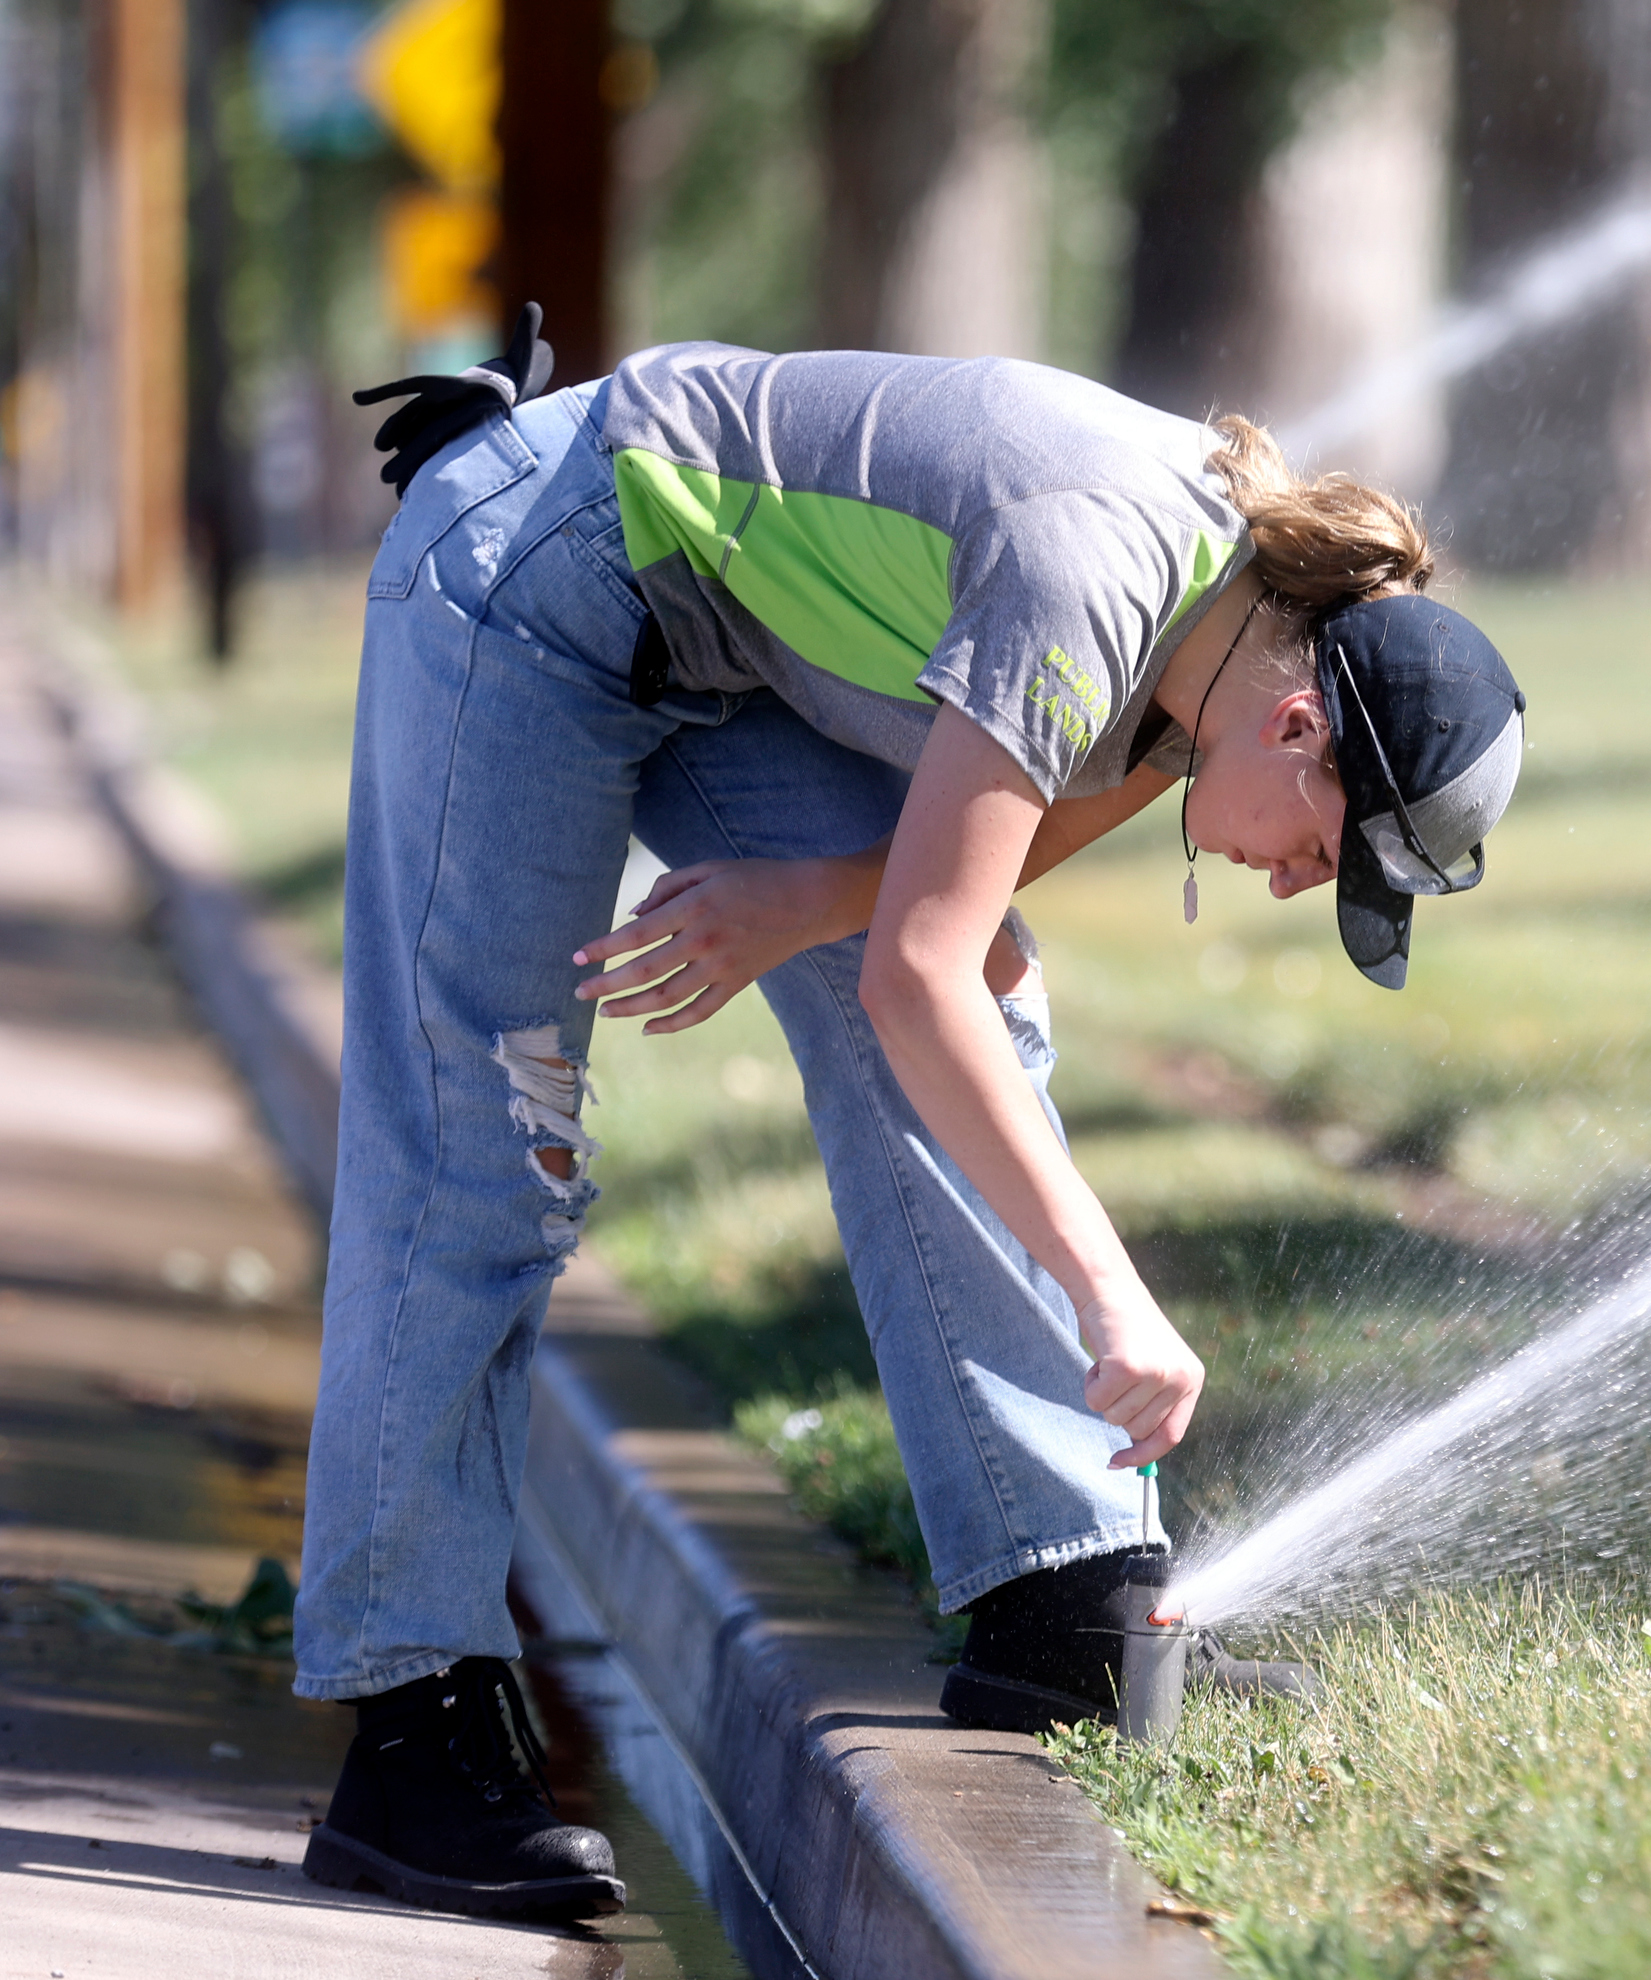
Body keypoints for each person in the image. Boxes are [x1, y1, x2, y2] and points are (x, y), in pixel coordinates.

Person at [290, 309, 1527, 1920]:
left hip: (727, 647)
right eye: (1328, 856)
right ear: (1300, 732)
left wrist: (793, 898)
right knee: (486, 1139)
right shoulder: (1103, 577)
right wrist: (1113, 1294)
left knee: (981, 1013)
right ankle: (411, 1719)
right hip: (535, 567)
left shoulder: (1207, 673)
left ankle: (1059, 1596)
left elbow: (945, 934)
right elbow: (912, 973)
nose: (1300, 885)